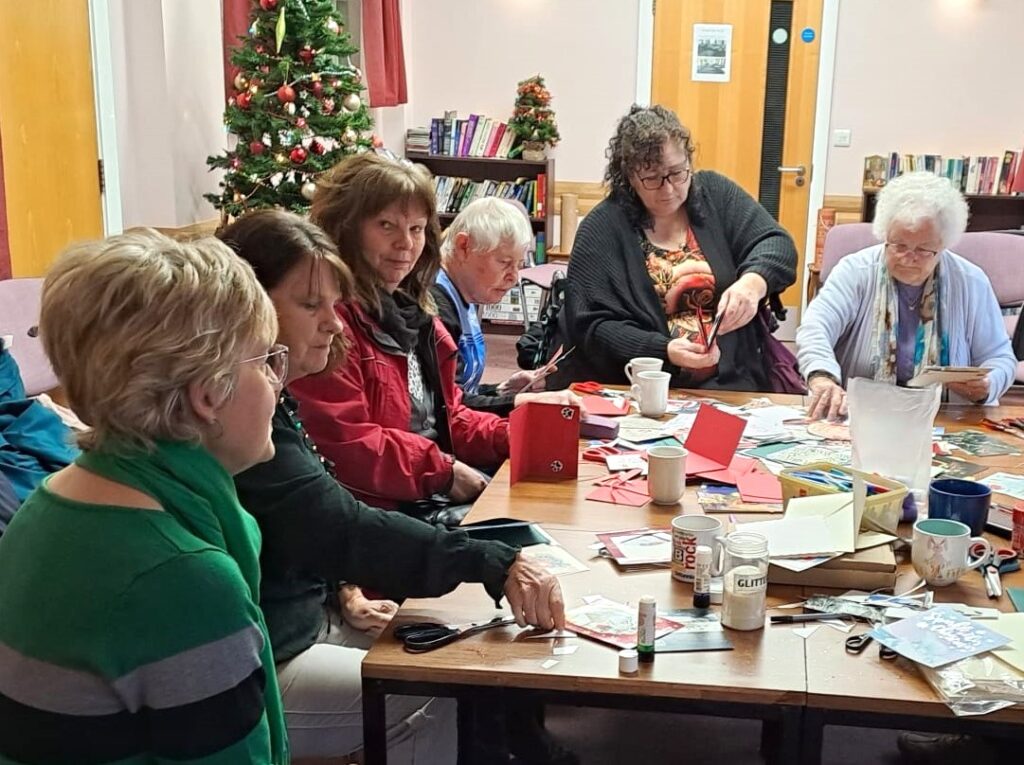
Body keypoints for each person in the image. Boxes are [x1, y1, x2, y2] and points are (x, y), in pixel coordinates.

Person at [218, 210, 570, 763]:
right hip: (273, 650)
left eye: (334, 304)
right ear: (248, 309)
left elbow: (307, 521)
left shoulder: (274, 395)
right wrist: (492, 562)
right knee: (438, 688)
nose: (335, 324)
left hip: (308, 615)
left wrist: (342, 589)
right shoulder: (238, 417)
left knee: (467, 639)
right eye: (312, 305)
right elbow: (333, 520)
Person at [0, 231, 288, 762]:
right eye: (266, 361)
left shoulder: (48, 506)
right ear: (208, 395)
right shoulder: (182, 578)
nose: (276, 383)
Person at [290, 153, 506, 522]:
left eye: (417, 229)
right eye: (386, 225)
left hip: (423, 496)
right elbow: (347, 444)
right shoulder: (330, 325)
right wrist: (442, 470)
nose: (405, 243)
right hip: (375, 517)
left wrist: (523, 432)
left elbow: (449, 418)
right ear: (348, 228)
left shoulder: (417, 314)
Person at [551, 104, 798, 390]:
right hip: (640, 385)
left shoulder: (714, 195)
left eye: (677, 173)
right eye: (652, 179)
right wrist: (664, 350)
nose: (668, 189)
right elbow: (591, 328)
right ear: (630, 177)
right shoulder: (601, 228)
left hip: (732, 379)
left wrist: (752, 284)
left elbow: (777, 243)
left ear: (689, 162)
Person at [796, 171, 1017, 420]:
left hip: (945, 418)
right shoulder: (854, 271)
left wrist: (987, 385)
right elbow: (815, 328)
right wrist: (822, 377)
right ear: (884, 235)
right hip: (859, 415)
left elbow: (999, 357)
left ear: (943, 244)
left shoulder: (971, 281)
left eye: (923, 249)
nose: (909, 257)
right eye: (899, 245)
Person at [432, 196, 581, 415]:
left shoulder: (464, 293)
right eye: (504, 262)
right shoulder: (436, 308)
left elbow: (460, 392)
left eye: (519, 265)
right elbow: (447, 411)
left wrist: (501, 391)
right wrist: (518, 402)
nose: (514, 277)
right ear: (464, 246)